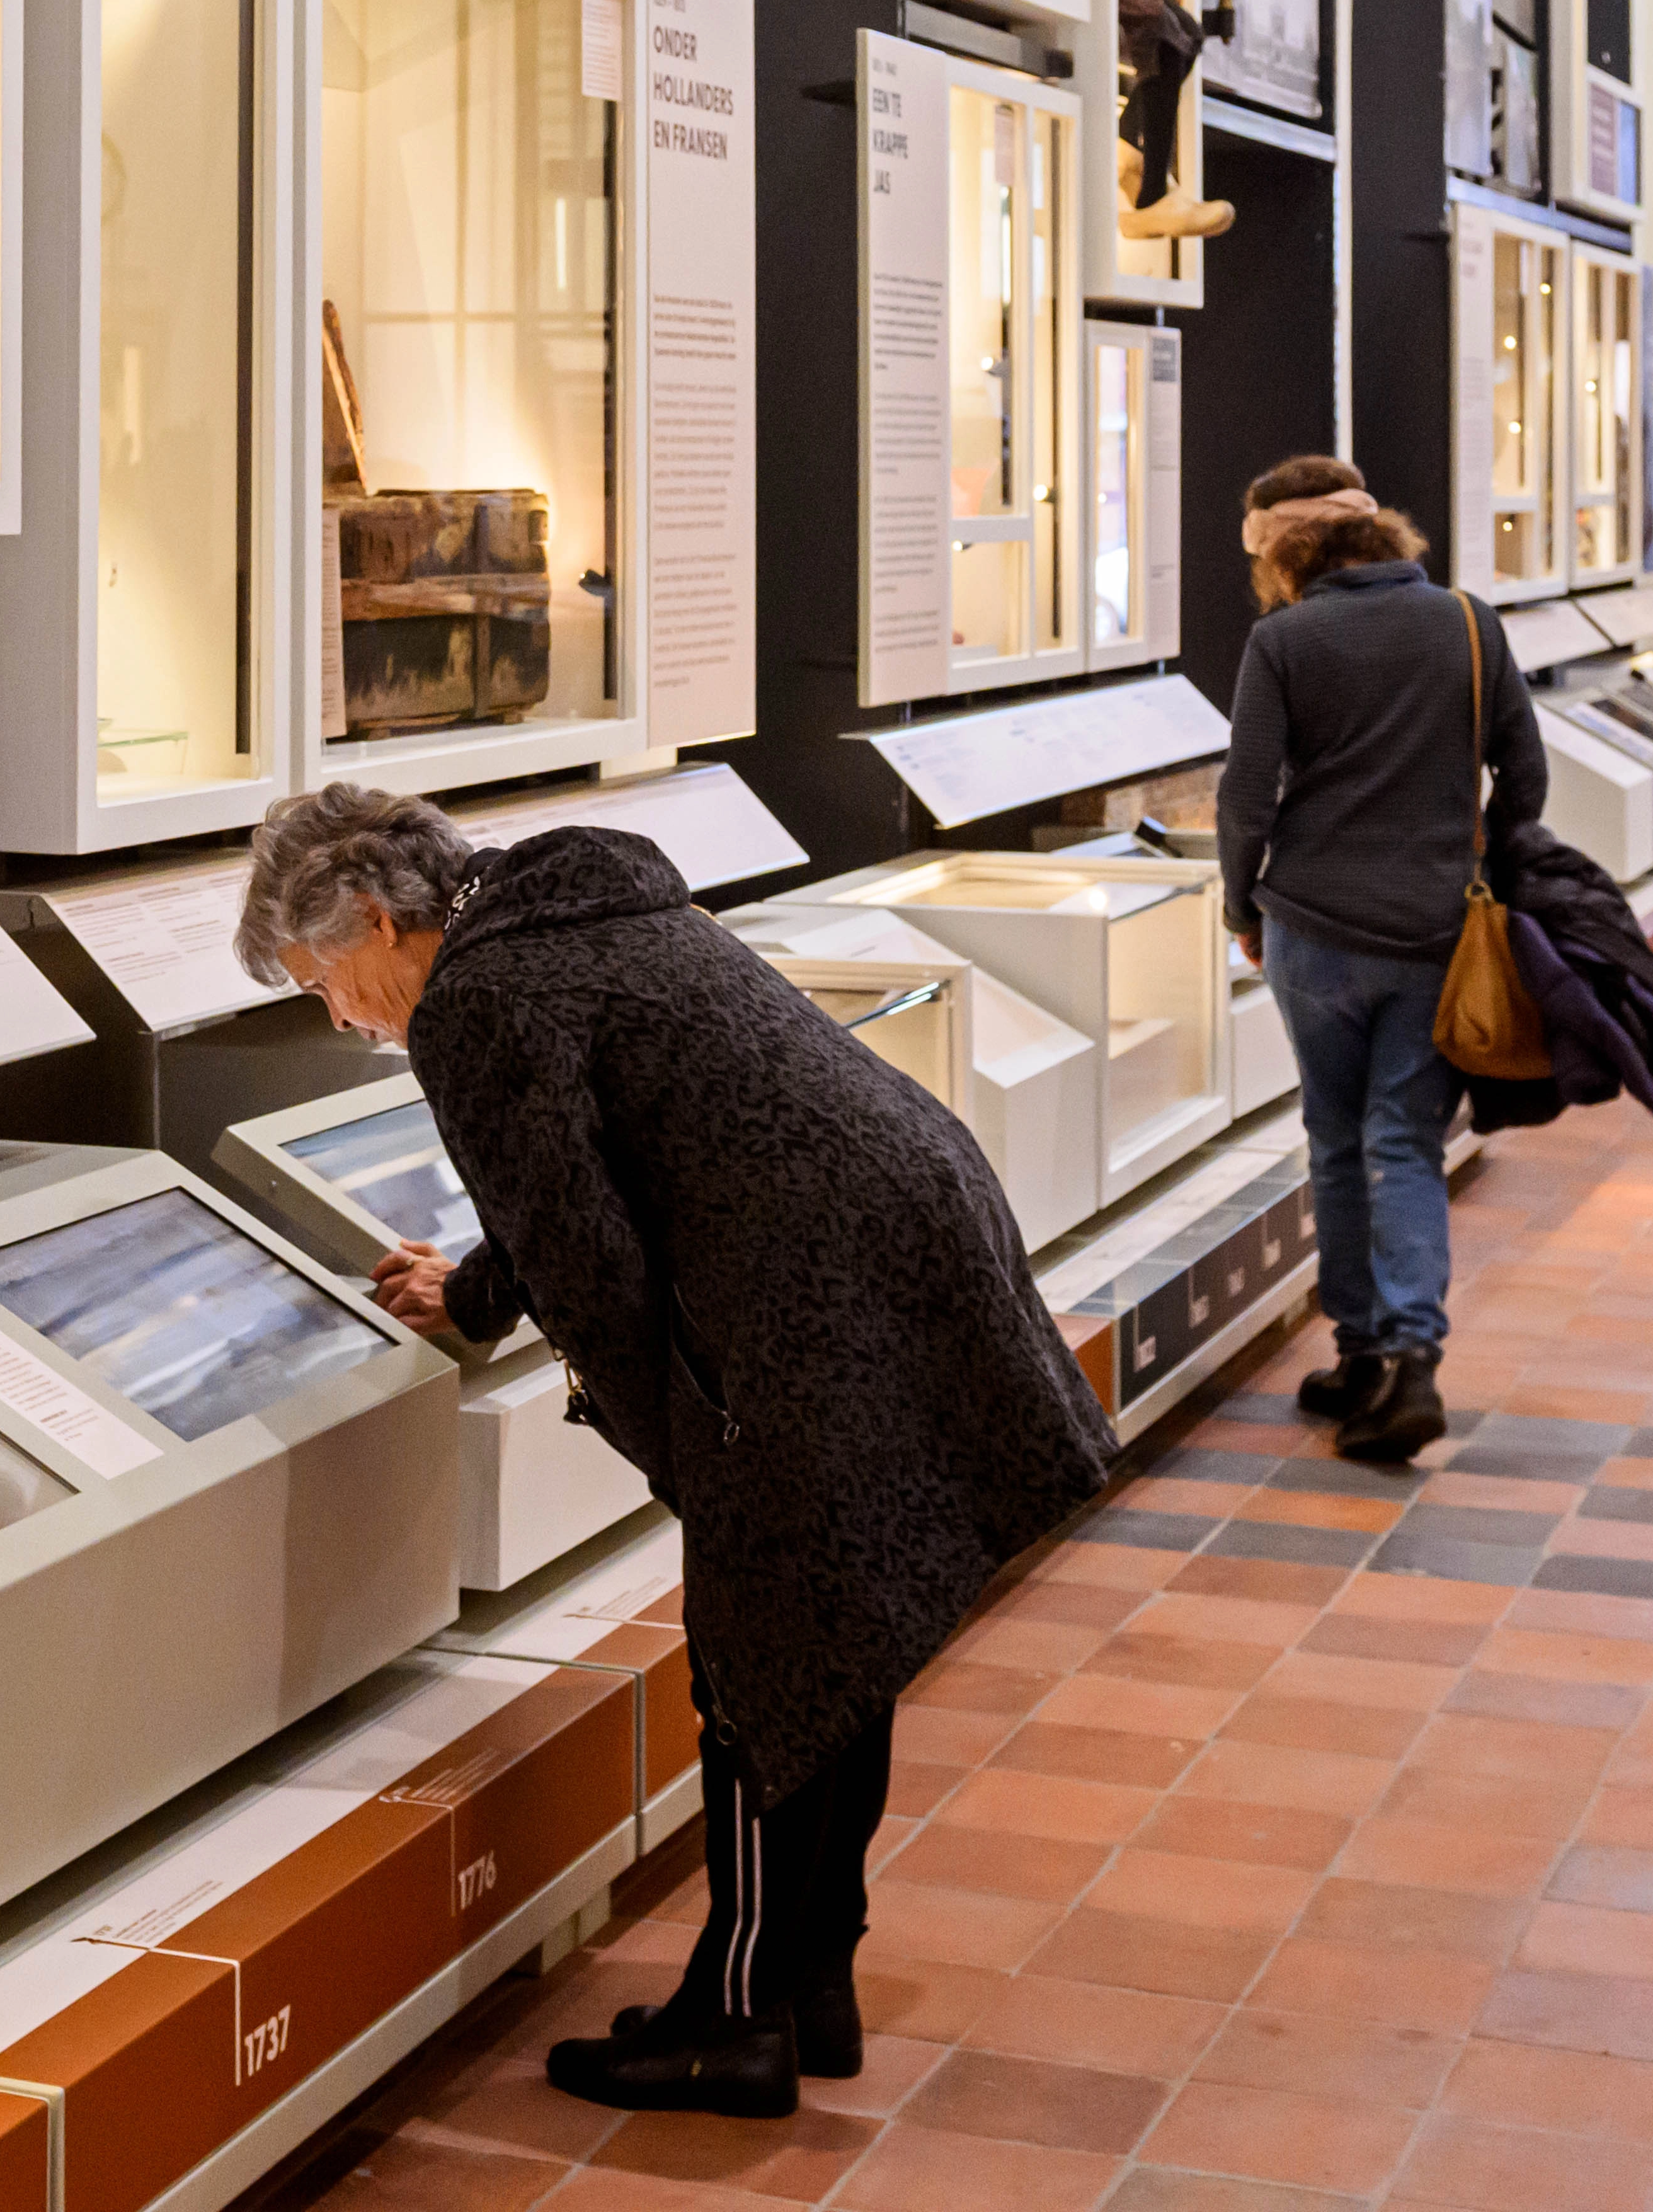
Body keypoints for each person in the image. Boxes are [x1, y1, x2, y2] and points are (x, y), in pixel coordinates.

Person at [232, 787, 1114, 2122]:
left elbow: (586, 1260)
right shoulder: (566, 909)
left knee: (761, 1660)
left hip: (816, 1299)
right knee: (837, 1634)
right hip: (904, 1233)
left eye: (322, 983)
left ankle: (737, 2020)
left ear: (372, 918)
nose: (340, 1018)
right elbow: (593, 1169)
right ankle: (812, 1980)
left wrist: (690, 1465)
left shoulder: (475, 1001)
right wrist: (474, 1294)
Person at [1211, 456, 1542, 1465]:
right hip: (1442, 931)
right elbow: (1523, 774)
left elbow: (1246, 796)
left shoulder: (1284, 640)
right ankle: (1407, 1360)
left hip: (1314, 926)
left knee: (1334, 1135)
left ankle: (1359, 1351)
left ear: (1287, 553)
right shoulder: (1468, 623)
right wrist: (1488, 867)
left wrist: (1241, 901)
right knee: (1403, 1139)